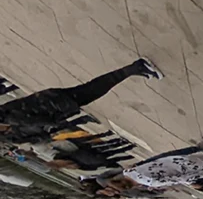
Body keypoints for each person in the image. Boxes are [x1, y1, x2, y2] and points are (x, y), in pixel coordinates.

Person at [0, 59, 162, 142]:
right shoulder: (4, 112)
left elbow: (41, 121)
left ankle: (136, 67)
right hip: (50, 98)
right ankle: (134, 70)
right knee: (95, 87)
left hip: (58, 103)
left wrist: (54, 124)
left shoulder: (11, 119)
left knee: (98, 87)